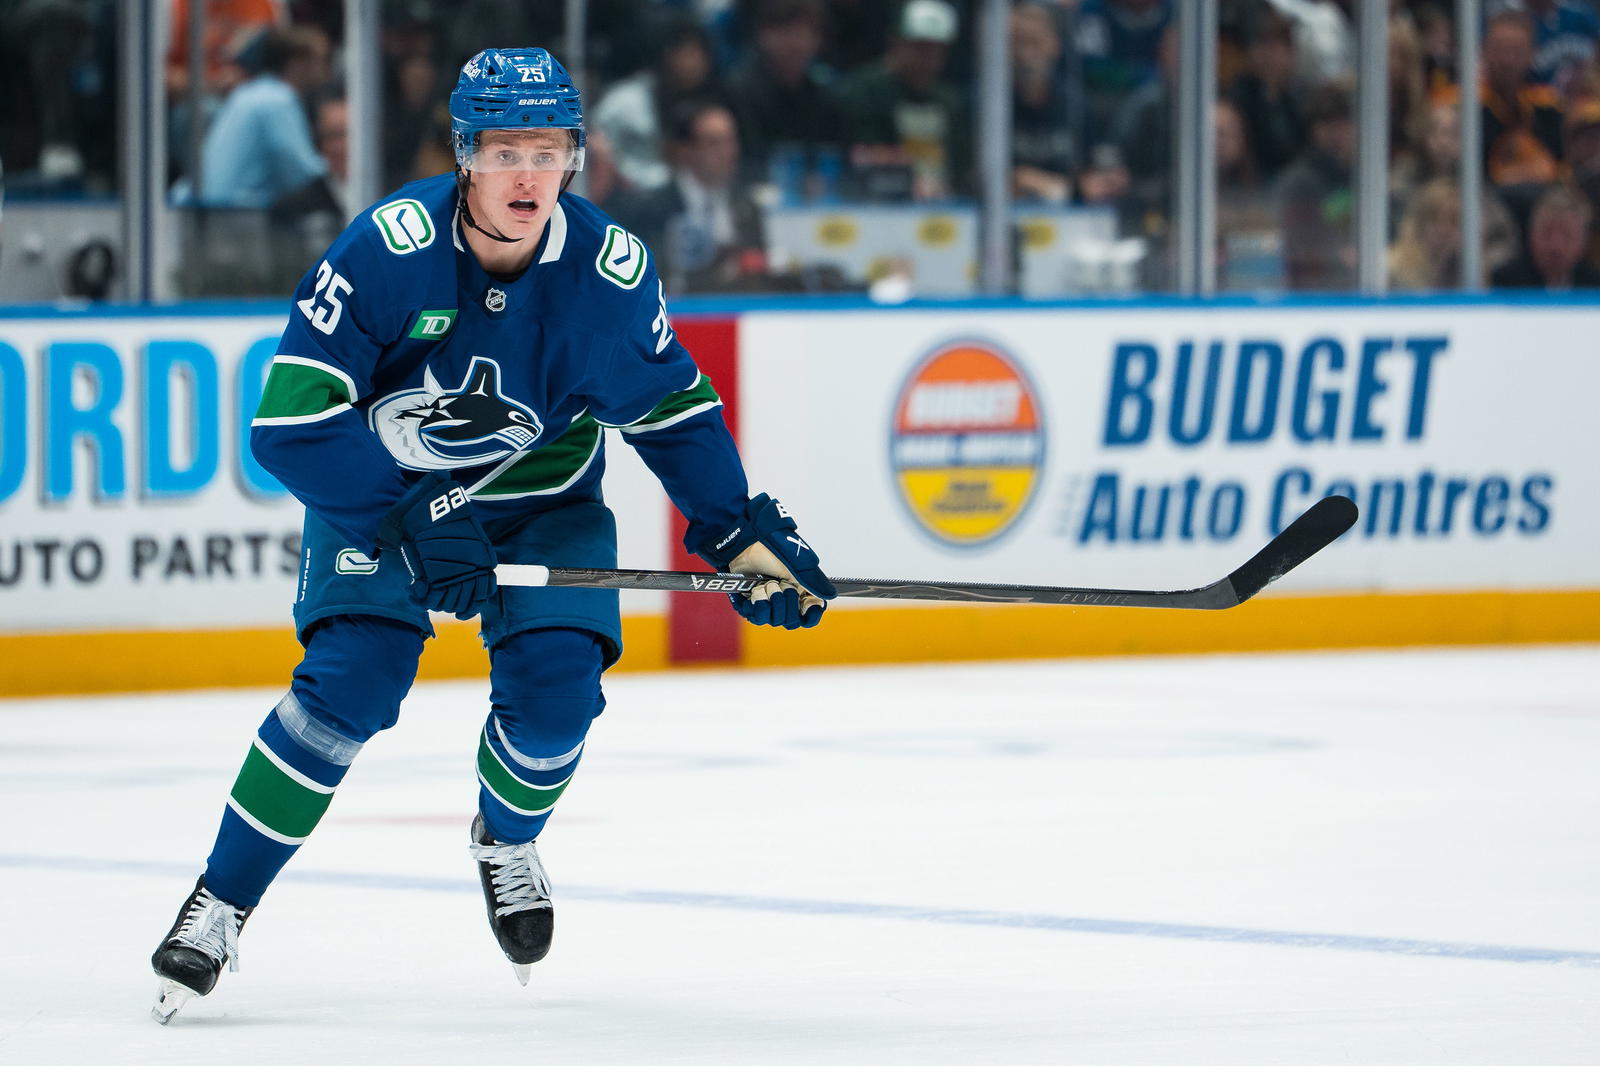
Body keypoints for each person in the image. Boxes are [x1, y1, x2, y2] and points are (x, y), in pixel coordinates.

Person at [148, 46, 836, 1024]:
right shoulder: (384, 251)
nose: (528, 173)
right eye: (505, 148)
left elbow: (673, 409)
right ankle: (222, 898)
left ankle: (505, 839)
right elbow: (289, 424)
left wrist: (735, 530)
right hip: (384, 495)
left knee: (557, 699)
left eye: (548, 149)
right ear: (465, 154)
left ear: (575, 157)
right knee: (349, 684)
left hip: (543, 498)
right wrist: (411, 510)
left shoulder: (607, 274)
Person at [610, 99, 770, 293]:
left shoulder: (747, 205)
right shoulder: (651, 210)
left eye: (731, 140)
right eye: (714, 143)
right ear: (685, 150)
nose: (728, 152)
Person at [194, 24, 333, 207]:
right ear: (297, 63)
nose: (327, 68)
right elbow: (299, 170)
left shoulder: (251, 92)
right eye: (321, 60)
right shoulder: (277, 100)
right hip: (232, 216)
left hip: (217, 208)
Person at [1492, 180, 1600, 286]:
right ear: (1531, 233)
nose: (1555, 246)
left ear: (1584, 240)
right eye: (1547, 234)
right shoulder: (1505, 283)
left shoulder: (1594, 286)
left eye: (1567, 236)